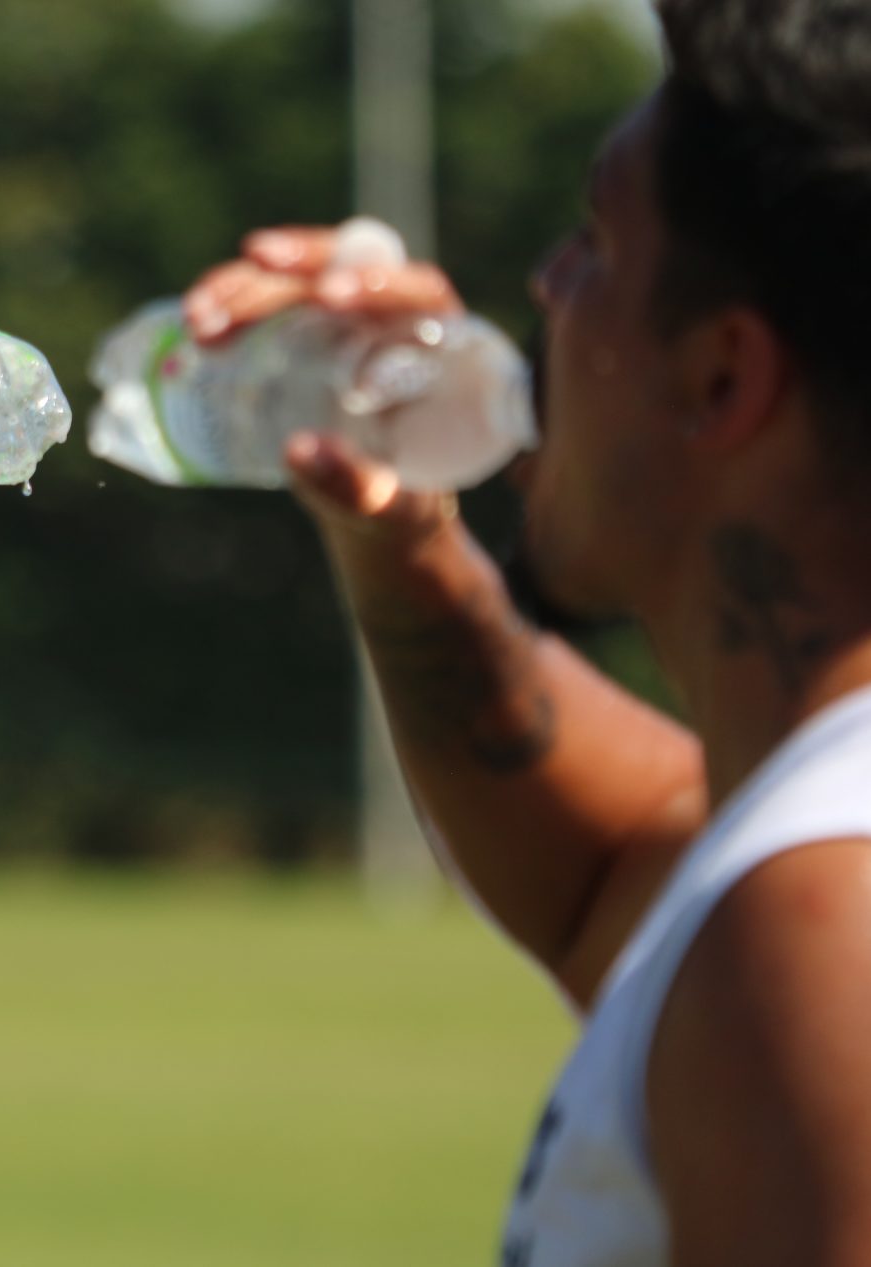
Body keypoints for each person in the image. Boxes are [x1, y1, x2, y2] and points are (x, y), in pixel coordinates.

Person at [184, 1, 871, 1263]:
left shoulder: (828, 921)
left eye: (595, 244)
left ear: (721, 377)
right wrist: (401, 531)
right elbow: (606, 869)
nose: (547, 285)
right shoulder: (799, 857)